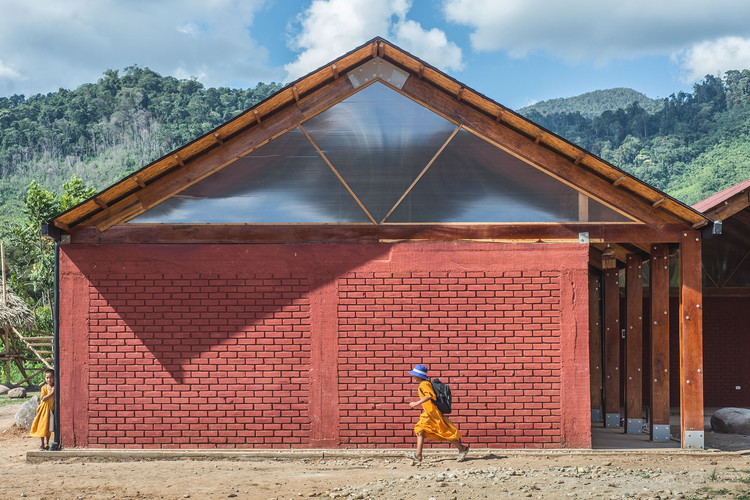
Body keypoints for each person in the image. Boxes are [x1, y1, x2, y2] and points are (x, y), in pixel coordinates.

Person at [407, 364, 469, 463]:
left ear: (419, 376)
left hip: (432, 414)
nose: (413, 377)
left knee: (444, 431)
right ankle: (418, 455)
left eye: (414, 375)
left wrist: (416, 403)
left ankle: (462, 449)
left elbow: (430, 395)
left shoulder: (424, 384)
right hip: (429, 413)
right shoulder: (424, 384)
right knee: (420, 430)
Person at [29, 368, 55, 450]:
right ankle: (42, 443)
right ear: (45, 378)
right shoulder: (44, 388)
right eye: (47, 378)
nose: (49, 379)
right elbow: (43, 399)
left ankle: (47, 443)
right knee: (42, 426)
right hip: (43, 410)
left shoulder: (55, 387)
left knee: (48, 428)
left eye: (51, 377)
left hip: (51, 410)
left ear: (54, 378)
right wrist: (52, 393)